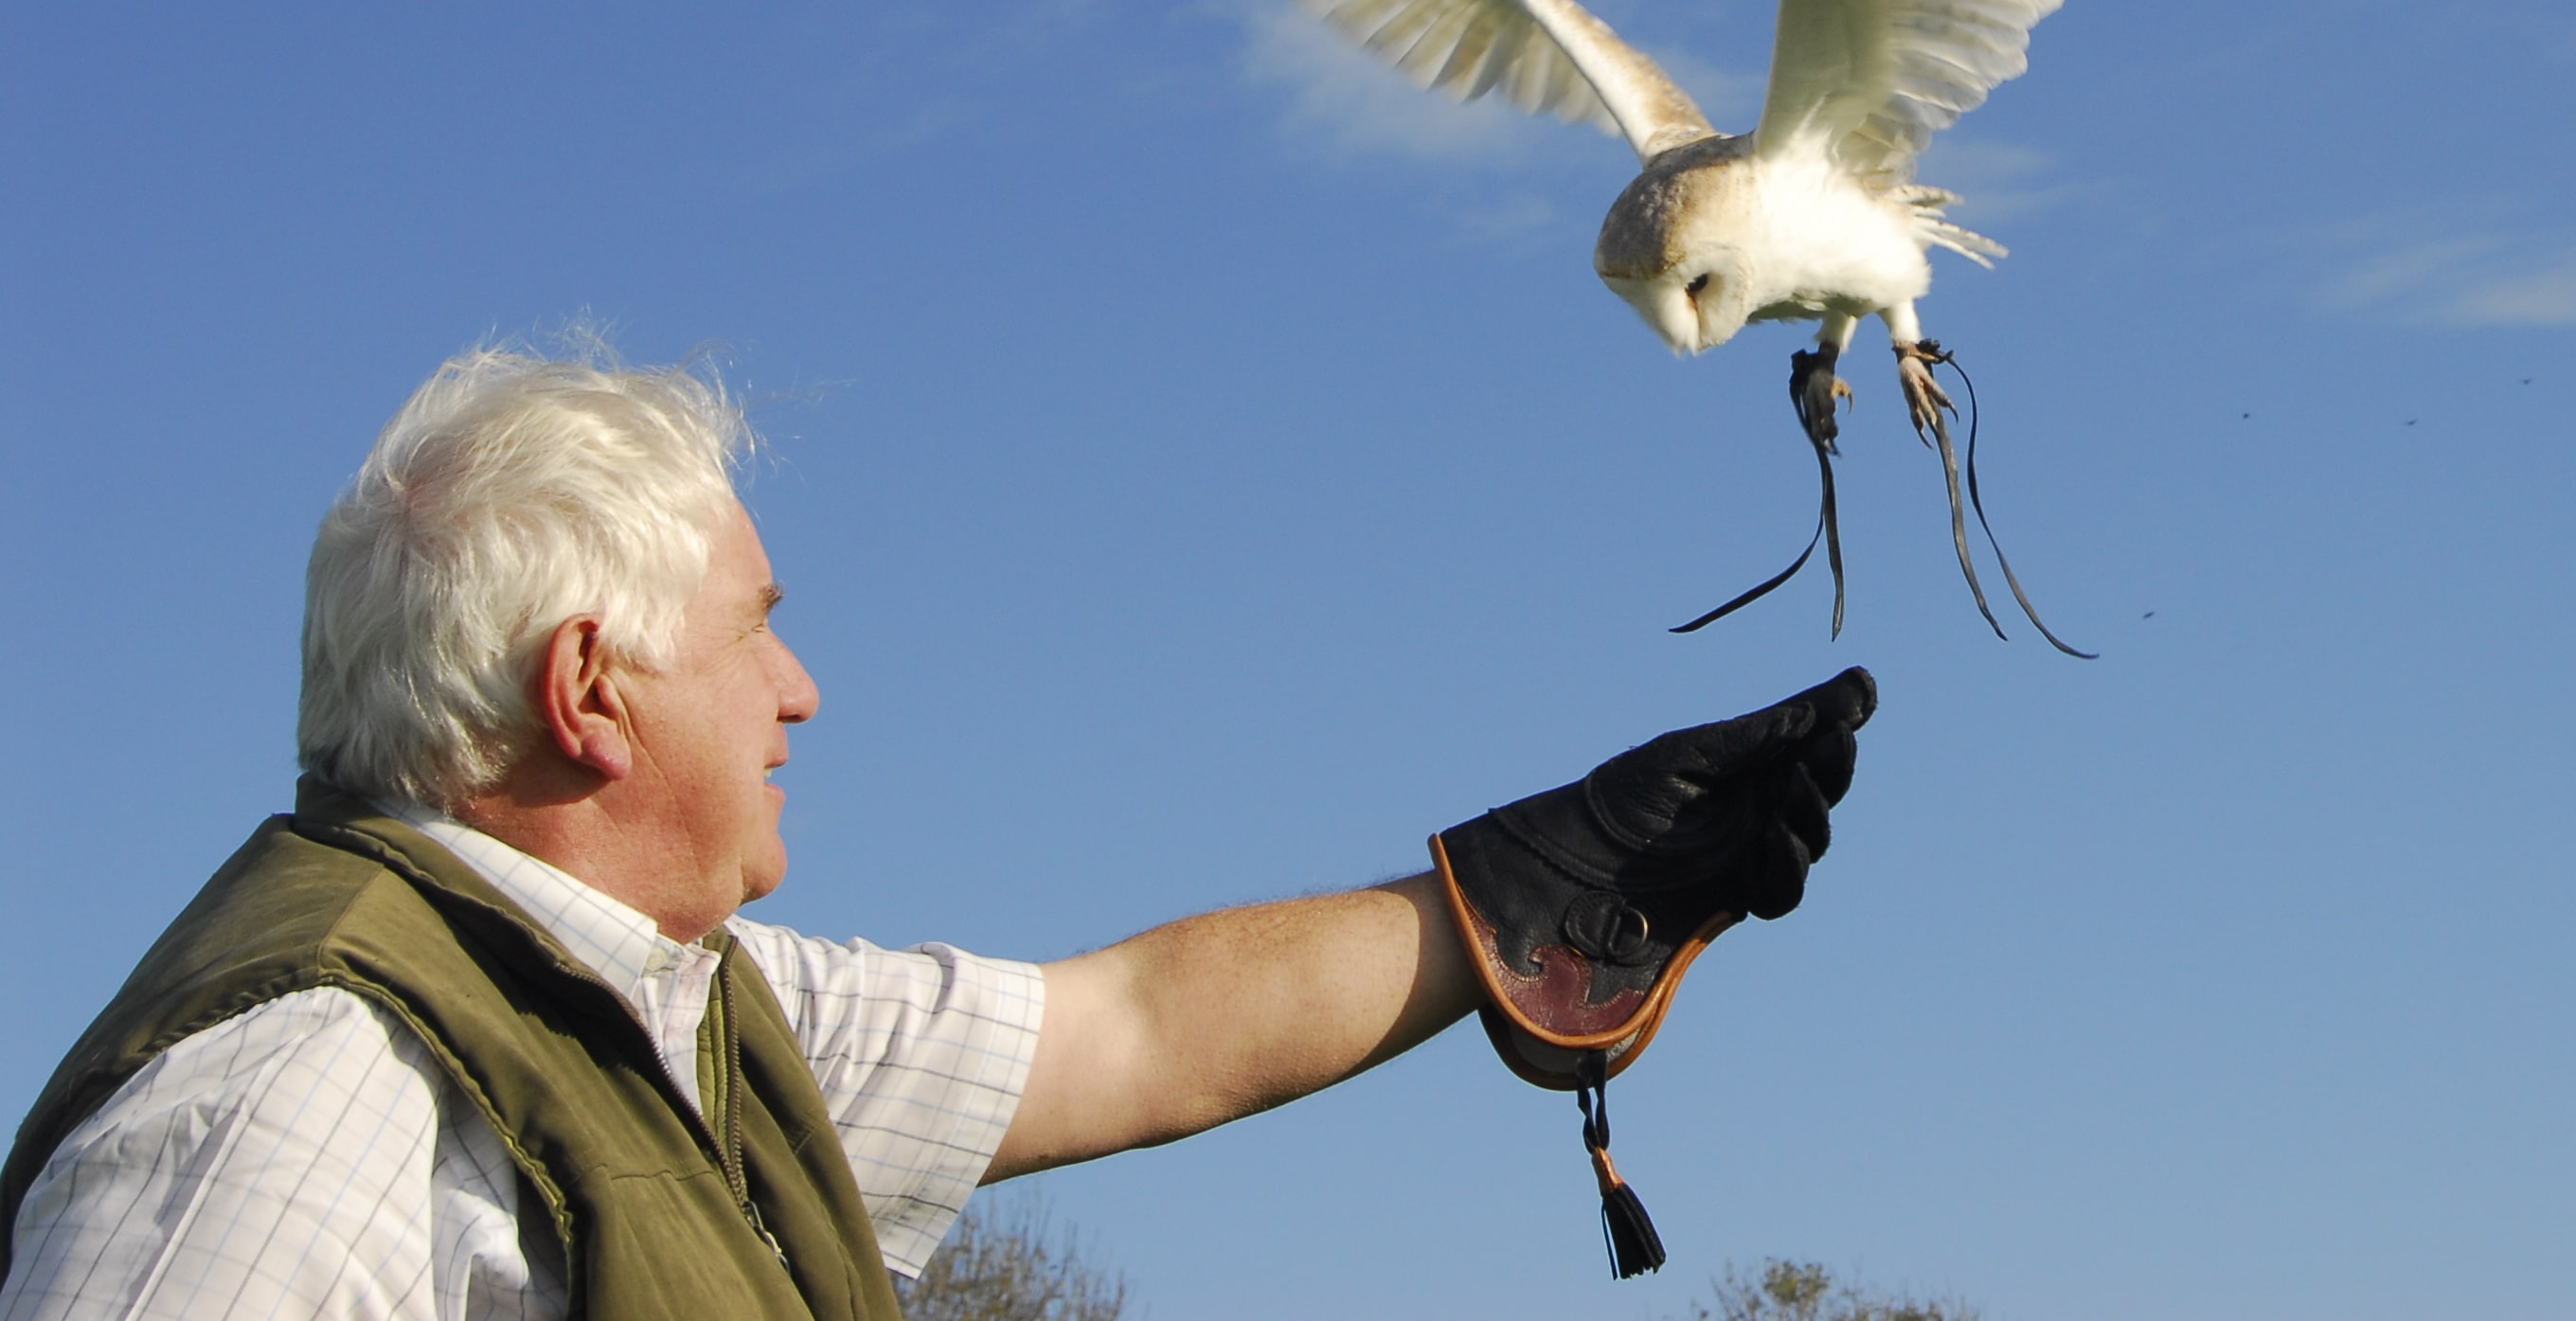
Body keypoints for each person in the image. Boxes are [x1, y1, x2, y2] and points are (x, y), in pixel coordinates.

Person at [0, 344, 1872, 1318]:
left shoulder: (688, 1017)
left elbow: (1132, 1033)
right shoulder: (305, 1089)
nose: (799, 687)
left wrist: (1534, 893)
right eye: (751, 629)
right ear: (589, 693)